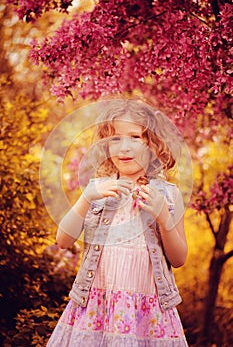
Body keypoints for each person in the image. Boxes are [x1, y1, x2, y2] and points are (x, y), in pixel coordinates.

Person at [47, 99, 189, 346]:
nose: (124, 147)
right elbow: (62, 240)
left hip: (148, 316)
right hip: (95, 311)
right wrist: (86, 197)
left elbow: (179, 259)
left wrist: (163, 216)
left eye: (135, 137)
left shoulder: (167, 195)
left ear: (153, 144)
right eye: (115, 138)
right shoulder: (97, 191)